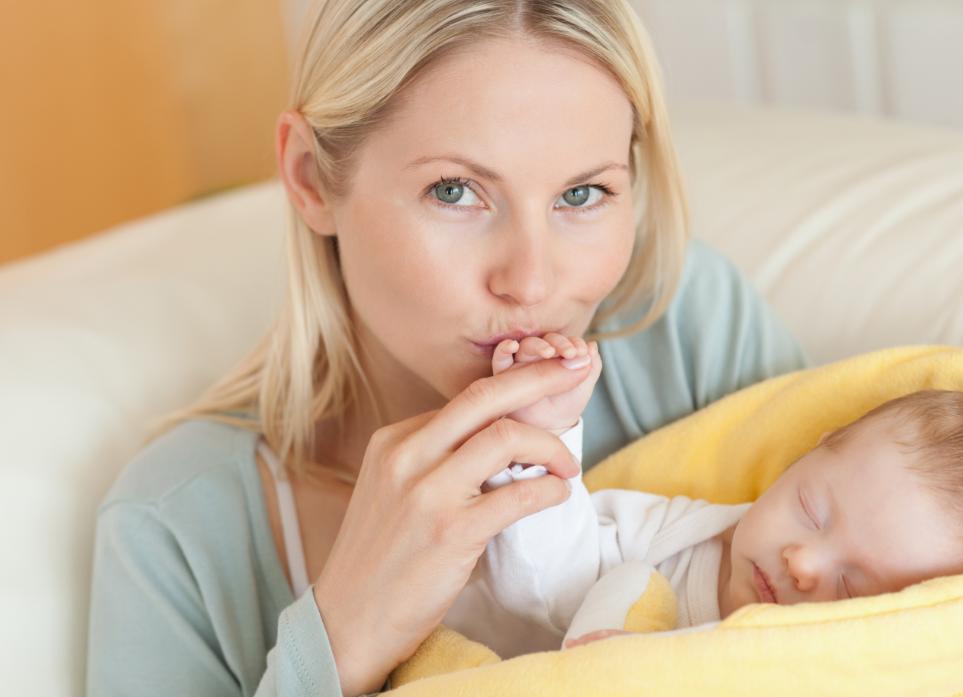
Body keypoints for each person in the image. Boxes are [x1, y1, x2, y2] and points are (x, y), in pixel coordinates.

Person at [85, 1, 808, 696]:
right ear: (310, 176)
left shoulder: (685, 334)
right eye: (455, 191)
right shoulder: (176, 526)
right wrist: (341, 639)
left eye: (582, 195)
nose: (530, 282)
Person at [473, 337, 963, 656]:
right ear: (803, 457)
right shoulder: (676, 538)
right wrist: (543, 436)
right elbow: (541, 582)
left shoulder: (808, 666)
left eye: (851, 587)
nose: (802, 564)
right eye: (810, 511)